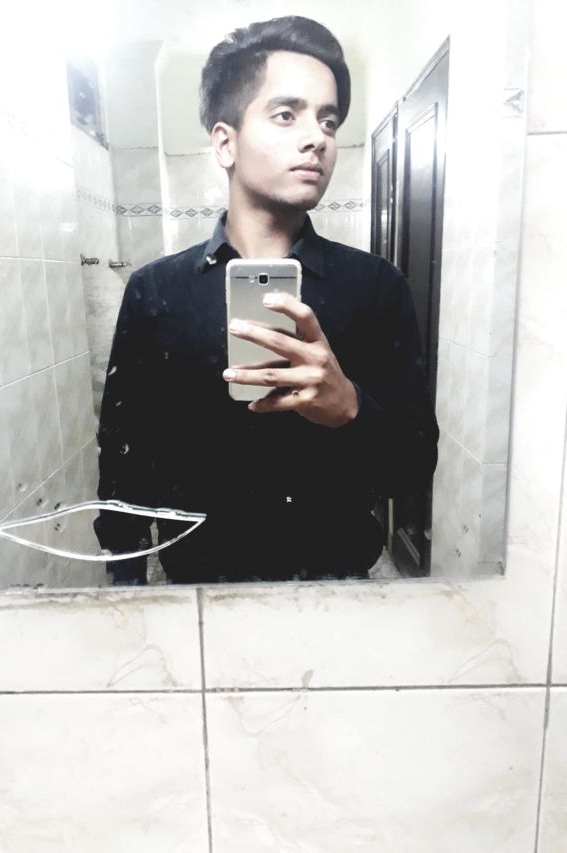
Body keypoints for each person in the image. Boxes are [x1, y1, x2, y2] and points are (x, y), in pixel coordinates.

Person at [94, 15, 439, 585]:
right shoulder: (157, 291)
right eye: (286, 114)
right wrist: (126, 585)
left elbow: (413, 468)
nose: (317, 138)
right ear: (225, 143)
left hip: (339, 593)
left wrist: (350, 407)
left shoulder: (376, 287)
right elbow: (124, 456)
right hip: (198, 594)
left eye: (328, 120)